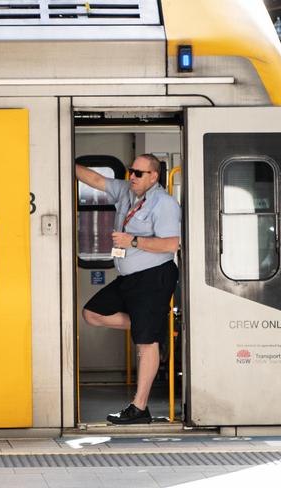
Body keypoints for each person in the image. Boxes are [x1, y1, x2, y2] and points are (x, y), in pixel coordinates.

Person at [76, 154, 180, 424]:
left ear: (153, 176)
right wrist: (62, 157)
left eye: (138, 173)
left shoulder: (164, 203)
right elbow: (96, 179)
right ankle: (151, 324)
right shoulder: (125, 190)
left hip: (153, 276)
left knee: (146, 344)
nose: (131, 176)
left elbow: (171, 244)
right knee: (91, 313)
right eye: (131, 171)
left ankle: (140, 408)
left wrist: (133, 241)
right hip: (130, 278)